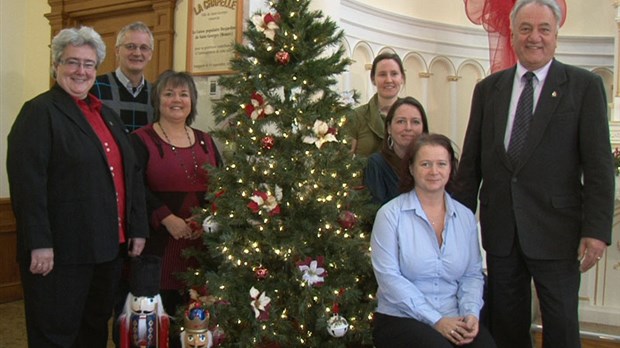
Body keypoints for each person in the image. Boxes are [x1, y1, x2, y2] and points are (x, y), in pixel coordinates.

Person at [452, 0, 614, 347]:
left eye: (543, 29)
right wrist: (455, 226)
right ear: (512, 34)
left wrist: (596, 231)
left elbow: (600, 167)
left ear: (556, 35)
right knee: (506, 324)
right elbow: (471, 167)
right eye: (525, 28)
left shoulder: (584, 87)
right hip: (501, 233)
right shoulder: (488, 90)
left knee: (561, 326)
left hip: (558, 233)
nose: (534, 37)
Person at [6, 26, 148, 347]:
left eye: (88, 64)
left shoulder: (106, 115)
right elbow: (28, 185)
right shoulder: (39, 112)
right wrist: (39, 242)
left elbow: (130, 174)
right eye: (72, 62)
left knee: (93, 331)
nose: (81, 71)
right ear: (56, 66)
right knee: (55, 335)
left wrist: (136, 228)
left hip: (107, 249)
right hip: (61, 253)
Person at [371, 134, 495, 348]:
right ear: (411, 168)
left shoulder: (465, 217)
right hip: (401, 318)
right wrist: (436, 320)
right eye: (425, 164)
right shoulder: (390, 215)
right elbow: (389, 279)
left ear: (450, 168)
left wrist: (470, 313)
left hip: (453, 315)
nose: (434, 171)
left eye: (441, 164)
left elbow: (472, 275)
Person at [130, 70, 223, 347]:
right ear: (157, 100)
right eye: (168, 93)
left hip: (200, 249)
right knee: (159, 325)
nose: (176, 100)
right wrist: (166, 217)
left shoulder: (206, 140)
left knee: (197, 322)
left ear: (192, 101)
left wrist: (205, 218)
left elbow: (221, 186)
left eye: (183, 94)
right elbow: (133, 189)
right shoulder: (140, 140)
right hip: (158, 249)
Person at [364, 96, 429, 205]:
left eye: (415, 122)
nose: (408, 128)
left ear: (424, 128)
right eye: (401, 121)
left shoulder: (434, 164)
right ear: (389, 128)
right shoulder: (376, 164)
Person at [91, 21, 155, 132]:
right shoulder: (94, 86)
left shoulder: (156, 93)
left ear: (150, 54)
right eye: (131, 46)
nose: (137, 53)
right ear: (117, 51)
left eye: (144, 48)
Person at [347, 52, 405, 156]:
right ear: (373, 79)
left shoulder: (413, 115)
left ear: (402, 78)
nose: (388, 80)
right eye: (382, 74)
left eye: (394, 74)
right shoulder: (356, 116)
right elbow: (345, 161)